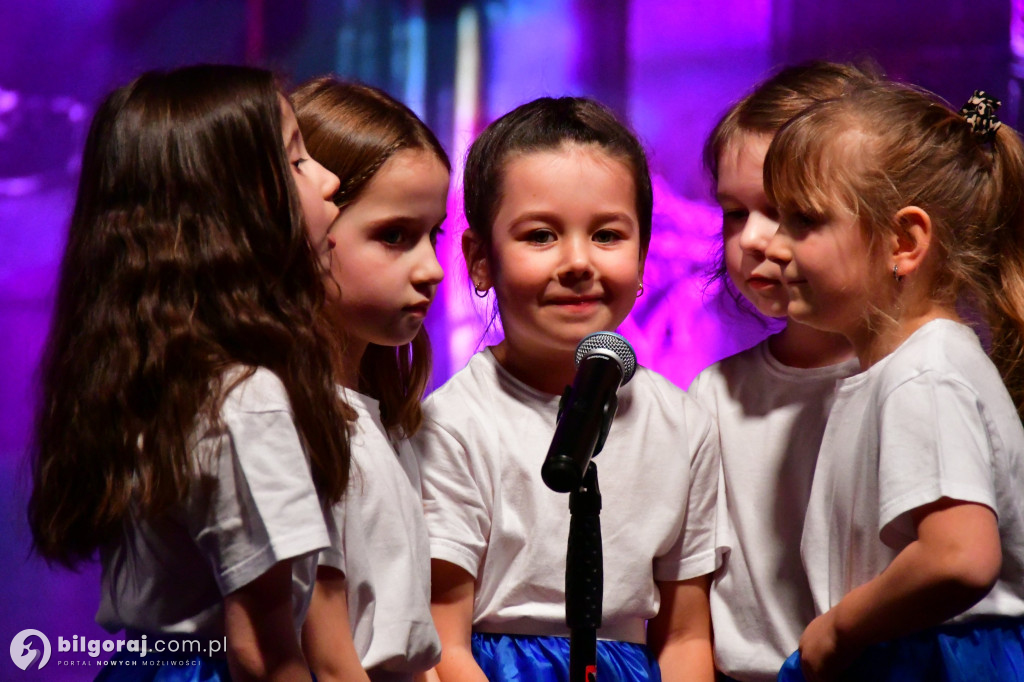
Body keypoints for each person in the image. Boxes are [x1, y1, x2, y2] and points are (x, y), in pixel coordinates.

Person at [27, 64, 351, 681]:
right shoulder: (246, 399)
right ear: (235, 207)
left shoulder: (172, 384)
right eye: (297, 161)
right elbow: (263, 651)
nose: (331, 180)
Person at [414, 96, 721, 682]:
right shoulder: (453, 423)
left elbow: (683, 635)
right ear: (479, 260)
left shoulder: (683, 424)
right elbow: (441, 640)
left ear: (644, 252)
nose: (578, 261)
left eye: (607, 235)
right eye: (540, 236)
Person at [764, 82, 1024, 681]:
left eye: (804, 220)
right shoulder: (907, 369)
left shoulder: (923, 375)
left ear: (903, 243)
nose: (774, 245)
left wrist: (838, 628)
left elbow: (958, 557)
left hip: (938, 661)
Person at [687, 62, 876, 682]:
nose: (752, 240)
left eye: (787, 212)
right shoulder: (716, 396)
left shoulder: (910, 379)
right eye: (734, 213)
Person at [290, 77, 448, 681]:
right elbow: (328, 658)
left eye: (431, 234)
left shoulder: (386, 420)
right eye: (394, 236)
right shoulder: (297, 421)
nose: (431, 268)